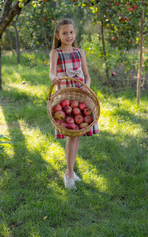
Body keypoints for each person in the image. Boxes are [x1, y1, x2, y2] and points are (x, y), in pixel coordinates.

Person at [49, 18, 99, 189]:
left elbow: (87, 76)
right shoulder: (57, 53)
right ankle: (69, 174)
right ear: (58, 35)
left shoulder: (80, 52)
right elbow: (51, 73)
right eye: (64, 33)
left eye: (71, 32)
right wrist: (54, 78)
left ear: (75, 33)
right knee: (72, 136)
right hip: (65, 100)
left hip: (79, 99)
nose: (68, 36)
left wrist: (88, 87)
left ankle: (70, 171)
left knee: (76, 136)